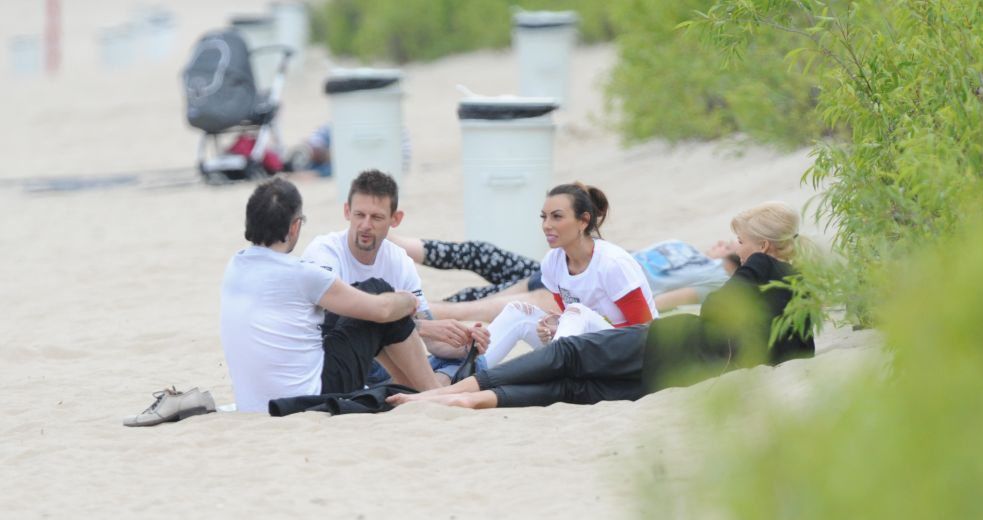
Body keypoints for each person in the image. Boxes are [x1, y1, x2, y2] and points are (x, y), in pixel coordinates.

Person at [387, 201, 815, 410]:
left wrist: (754, 264)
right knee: (576, 390)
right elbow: (798, 354)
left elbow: (715, 313)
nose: (736, 249)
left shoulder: (759, 268)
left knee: (569, 355)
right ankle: (468, 400)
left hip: (661, 344)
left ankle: (441, 396)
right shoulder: (799, 291)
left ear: (762, 245)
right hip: (675, 374)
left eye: (742, 242)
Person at [219, 177, 440, 413]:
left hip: (252, 404)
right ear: (294, 227)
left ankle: (409, 389)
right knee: (378, 290)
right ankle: (433, 391)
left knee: (348, 311)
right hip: (310, 397)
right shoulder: (302, 274)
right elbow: (381, 309)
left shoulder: (235, 265)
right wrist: (409, 301)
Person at [300, 169, 489, 385]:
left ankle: (410, 391)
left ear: (395, 219)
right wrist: (422, 328)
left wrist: (464, 342)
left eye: (377, 217)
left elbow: (430, 339)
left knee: (475, 362)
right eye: (359, 215)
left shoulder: (399, 260)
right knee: (375, 290)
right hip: (334, 357)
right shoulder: (324, 251)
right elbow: (335, 318)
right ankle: (427, 391)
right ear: (347, 211)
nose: (365, 225)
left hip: (383, 362)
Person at [477, 182, 658, 368]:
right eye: (544, 217)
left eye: (557, 217)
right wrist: (552, 328)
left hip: (627, 354)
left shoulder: (612, 263)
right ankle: (473, 368)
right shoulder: (552, 262)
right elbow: (570, 320)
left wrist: (579, 330)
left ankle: (551, 369)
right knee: (518, 311)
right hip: (581, 347)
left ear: (584, 221)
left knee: (577, 312)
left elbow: (645, 331)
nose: (546, 225)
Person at [389, 234, 740, 323]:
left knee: (478, 303)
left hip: (586, 288)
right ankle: (392, 240)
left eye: (731, 240)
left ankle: (405, 312)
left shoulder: (716, 279)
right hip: (564, 267)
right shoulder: (685, 248)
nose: (721, 241)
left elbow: (655, 305)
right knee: (480, 252)